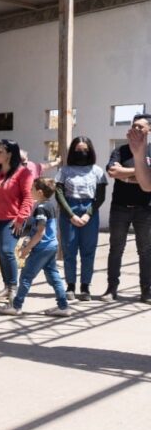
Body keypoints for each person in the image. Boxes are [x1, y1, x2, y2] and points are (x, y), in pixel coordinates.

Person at [0, 178, 73, 316]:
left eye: (32, 189)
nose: (30, 191)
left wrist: (27, 248)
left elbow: (40, 232)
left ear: (40, 192)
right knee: (54, 276)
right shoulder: (50, 205)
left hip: (42, 248)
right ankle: (63, 306)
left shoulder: (41, 208)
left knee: (25, 277)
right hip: (52, 246)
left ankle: (16, 306)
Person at [103, 113, 151, 301]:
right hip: (120, 207)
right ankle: (111, 289)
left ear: (149, 129)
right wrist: (140, 174)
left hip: (145, 208)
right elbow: (112, 171)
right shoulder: (120, 150)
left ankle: (146, 291)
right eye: (134, 126)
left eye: (141, 126)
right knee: (116, 248)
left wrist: (128, 175)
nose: (137, 129)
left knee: (146, 250)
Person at [0, 139, 34, 302]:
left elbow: (28, 198)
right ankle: (7, 287)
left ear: (10, 154)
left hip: (11, 220)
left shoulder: (23, 173)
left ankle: (13, 288)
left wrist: (21, 218)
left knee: (7, 251)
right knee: (0, 253)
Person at [55, 136, 107, 301]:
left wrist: (87, 214)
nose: (82, 153)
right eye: (78, 150)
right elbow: (59, 193)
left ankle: (85, 287)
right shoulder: (64, 171)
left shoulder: (97, 171)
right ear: (72, 151)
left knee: (88, 251)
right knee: (69, 250)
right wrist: (70, 215)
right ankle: (70, 286)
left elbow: (100, 197)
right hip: (68, 210)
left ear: (90, 151)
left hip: (89, 211)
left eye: (85, 150)